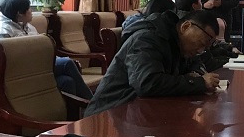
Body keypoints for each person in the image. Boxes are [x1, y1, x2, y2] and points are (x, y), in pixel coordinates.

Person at [84, 10, 221, 117]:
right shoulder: (147, 39)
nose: (200, 50)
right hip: (110, 115)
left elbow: (194, 63)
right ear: (186, 27)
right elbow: (147, 83)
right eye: (200, 44)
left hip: (139, 112)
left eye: (205, 48)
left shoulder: (178, 42)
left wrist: (197, 73)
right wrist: (199, 82)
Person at [0, 0, 93, 100]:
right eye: (29, 9)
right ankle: (92, 102)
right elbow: (7, 56)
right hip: (21, 69)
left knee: (67, 81)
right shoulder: (1, 30)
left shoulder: (29, 27)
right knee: (67, 63)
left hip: (37, 64)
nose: (31, 12)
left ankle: (72, 110)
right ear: (19, 13)